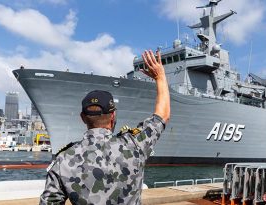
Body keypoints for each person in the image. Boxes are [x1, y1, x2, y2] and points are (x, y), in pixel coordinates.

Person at [40, 50, 170, 205]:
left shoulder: (63, 160)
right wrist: (160, 77)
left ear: (82, 117)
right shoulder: (135, 145)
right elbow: (162, 115)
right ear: (113, 116)